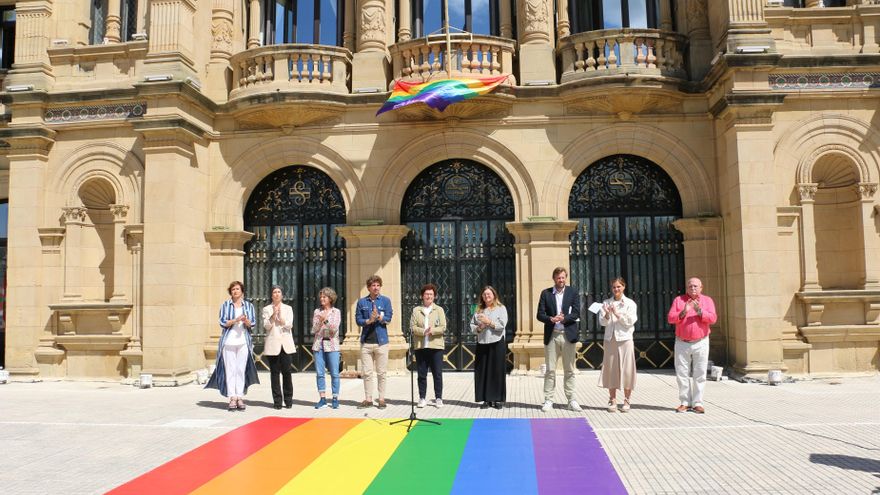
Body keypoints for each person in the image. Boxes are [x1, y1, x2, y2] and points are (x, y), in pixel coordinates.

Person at [206, 281, 259, 411]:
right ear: (231, 292)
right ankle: (232, 397)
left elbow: (252, 323)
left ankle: (240, 396)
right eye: (233, 289)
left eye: (237, 289)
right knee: (230, 370)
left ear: (242, 291)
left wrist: (246, 321)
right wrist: (236, 320)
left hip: (243, 342)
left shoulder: (249, 306)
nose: (235, 291)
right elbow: (222, 322)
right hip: (229, 342)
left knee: (240, 369)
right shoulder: (225, 305)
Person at [667, 277, 717, 414]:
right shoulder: (679, 300)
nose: (693, 288)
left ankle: (698, 403)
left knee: (699, 373)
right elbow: (671, 318)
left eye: (695, 286)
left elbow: (713, 318)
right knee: (682, 373)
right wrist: (684, 310)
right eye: (690, 286)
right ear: (687, 288)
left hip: (701, 341)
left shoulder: (707, 301)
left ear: (701, 288)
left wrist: (699, 311)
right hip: (682, 342)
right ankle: (684, 402)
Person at [536, 267, 582, 412]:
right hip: (552, 335)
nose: (561, 280)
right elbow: (539, 314)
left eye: (563, 277)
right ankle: (548, 400)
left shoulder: (573, 292)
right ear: (554, 278)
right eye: (558, 278)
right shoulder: (546, 293)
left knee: (569, 370)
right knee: (550, 370)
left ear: (566, 278)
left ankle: (571, 400)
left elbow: (576, 313)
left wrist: (564, 318)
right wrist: (551, 319)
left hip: (568, 334)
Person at [598, 277, 638, 413]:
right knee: (611, 369)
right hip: (610, 339)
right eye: (614, 287)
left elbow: (630, 322)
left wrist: (616, 313)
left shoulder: (630, 303)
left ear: (624, 287)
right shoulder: (606, 302)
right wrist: (608, 314)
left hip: (625, 339)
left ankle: (627, 399)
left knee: (627, 369)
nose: (616, 289)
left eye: (618, 287)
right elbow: (602, 322)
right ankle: (612, 399)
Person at [355, 275, 393, 409]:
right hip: (366, 342)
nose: (376, 288)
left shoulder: (386, 301)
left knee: (382, 372)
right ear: (368, 287)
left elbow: (389, 317)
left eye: (378, 285)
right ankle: (368, 399)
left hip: (381, 342)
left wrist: (379, 317)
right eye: (373, 285)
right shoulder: (361, 302)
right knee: (367, 372)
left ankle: (381, 399)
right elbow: (358, 320)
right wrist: (368, 321)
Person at [409, 283, 447, 408]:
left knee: (437, 373)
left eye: (431, 294)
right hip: (421, 346)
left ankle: (438, 398)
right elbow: (412, 327)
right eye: (426, 294)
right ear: (422, 296)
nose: (428, 296)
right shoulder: (416, 310)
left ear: (434, 296)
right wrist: (423, 332)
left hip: (436, 346)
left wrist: (432, 331)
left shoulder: (439, 310)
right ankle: (422, 398)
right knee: (421, 374)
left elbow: (443, 327)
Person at [470, 285, 508, 410]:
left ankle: (497, 399)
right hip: (482, 343)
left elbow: (502, 325)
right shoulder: (478, 309)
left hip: (497, 342)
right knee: (483, 371)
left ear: (494, 295)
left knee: (496, 371)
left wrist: (488, 322)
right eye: (484, 294)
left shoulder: (501, 308)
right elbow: (472, 326)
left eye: (489, 294)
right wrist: (479, 327)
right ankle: (486, 399)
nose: (487, 296)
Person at [261, 285, 295, 410]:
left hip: (286, 344)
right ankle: (277, 401)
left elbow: (289, 325)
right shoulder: (266, 309)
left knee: (287, 373)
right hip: (273, 344)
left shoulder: (288, 308)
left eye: (278, 292)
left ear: (282, 295)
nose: (276, 294)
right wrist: (272, 316)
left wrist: (280, 319)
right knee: (274, 373)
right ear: (271, 295)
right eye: (274, 292)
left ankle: (289, 400)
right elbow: (266, 326)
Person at [312, 287, 342, 410]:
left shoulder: (336, 312)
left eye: (324, 297)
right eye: (321, 297)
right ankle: (322, 399)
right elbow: (314, 329)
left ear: (330, 298)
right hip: (318, 345)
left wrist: (326, 320)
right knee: (320, 373)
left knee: (334, 373)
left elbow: (334, 329)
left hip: (332, 345)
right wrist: (320, 322)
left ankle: (335, 398)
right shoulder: (316, 311)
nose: (322, 299)